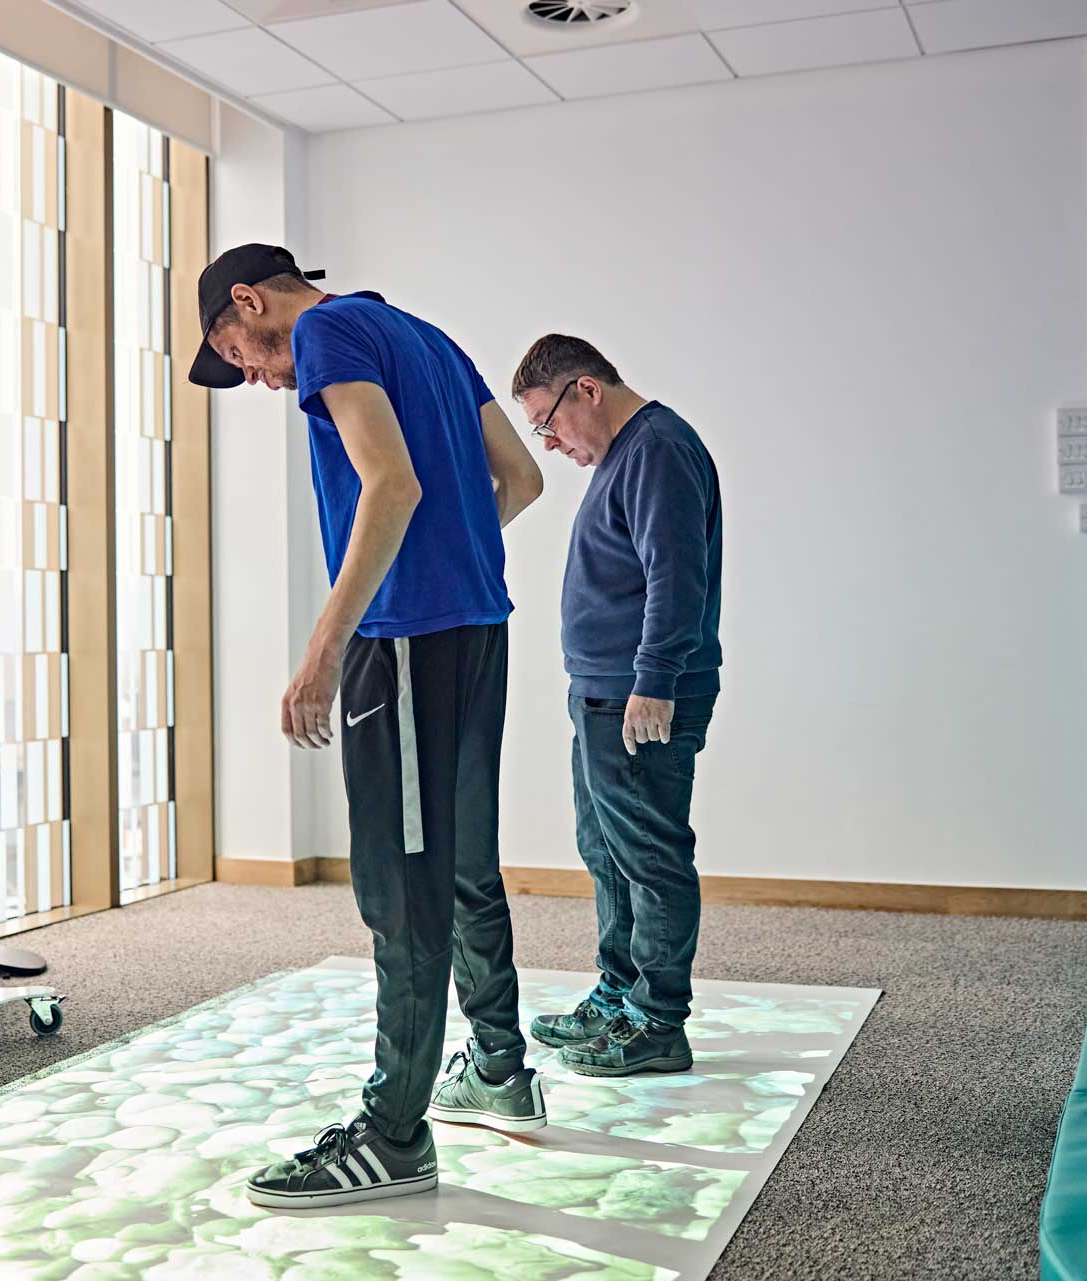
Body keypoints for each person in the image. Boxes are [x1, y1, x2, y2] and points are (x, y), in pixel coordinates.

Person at [188, 244, 548, 1208]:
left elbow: (391, 485)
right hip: (477, 628)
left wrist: (325, 647)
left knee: (401, 886)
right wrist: (448, 559)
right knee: (466, 857)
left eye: (242, 354)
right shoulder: (429, 338)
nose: (263, 377)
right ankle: (503, 1064)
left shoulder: (327, 329)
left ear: (248, 301)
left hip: (402, 645)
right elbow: (519, 479)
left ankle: (394, 1133)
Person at [511, 334, 724, 1077]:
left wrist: (655, 678)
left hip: (641, 692)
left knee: (649, 852)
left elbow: (677, 575)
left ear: (587, 390)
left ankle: (659, 1019)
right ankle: (620, 991)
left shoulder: (657, 448)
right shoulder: (623, 456)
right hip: (602, 690)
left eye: (549, 422)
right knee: (605, 848)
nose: (550, 442)